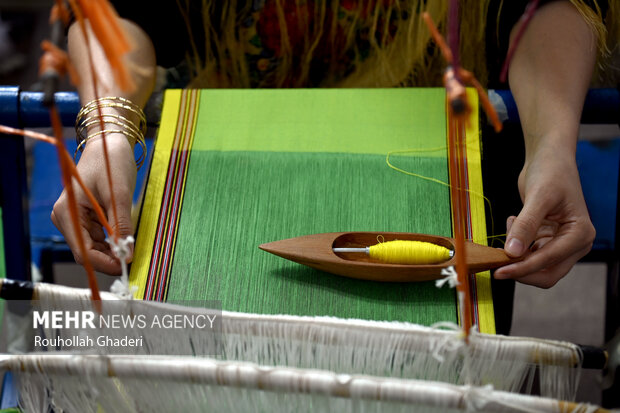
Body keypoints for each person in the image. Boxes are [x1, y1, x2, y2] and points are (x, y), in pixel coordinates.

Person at [52, 0, 614, 290]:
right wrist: (106, 133)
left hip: (443, 176)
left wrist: (549, 148)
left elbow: (542, 5)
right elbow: (117, 13)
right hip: (229, 166)